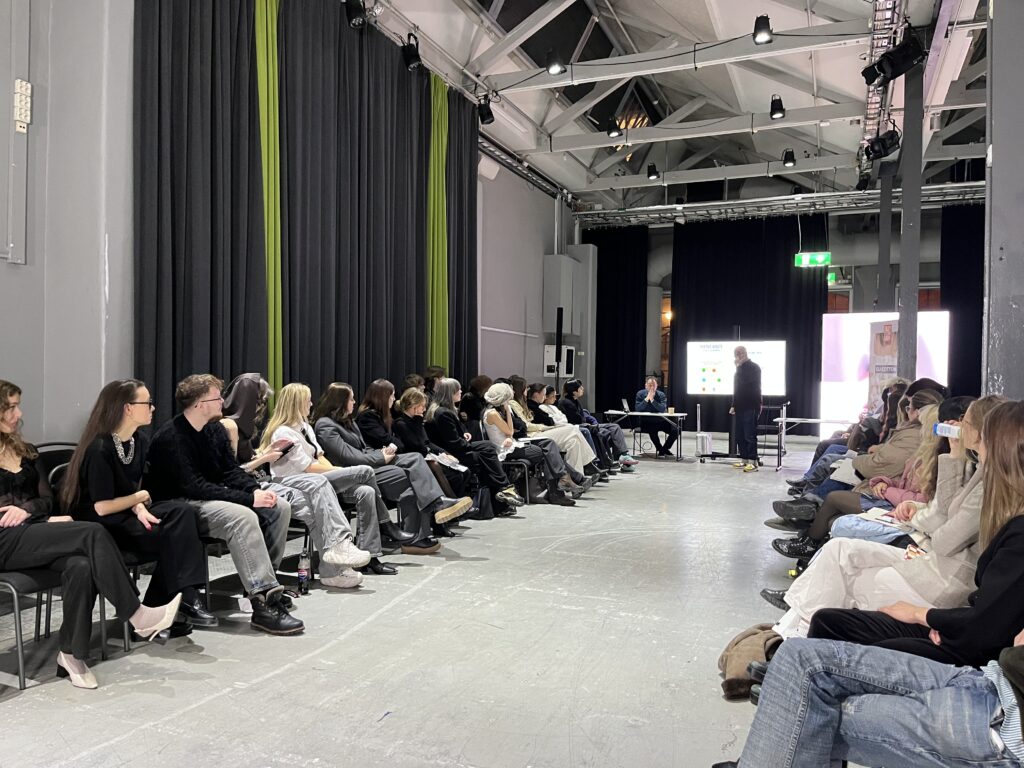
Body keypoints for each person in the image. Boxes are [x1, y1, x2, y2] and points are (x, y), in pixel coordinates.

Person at [806, 399, 1024, 669]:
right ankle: (790, 640)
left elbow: (985, 620)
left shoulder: (1001, 510)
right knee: (833, 602)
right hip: (956, 610)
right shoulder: (980, 476)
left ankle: (793, 647)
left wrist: (926, 616)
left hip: (959, 620)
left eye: (966, 424)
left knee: (850, 561)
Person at [762, 397, 1001, 639]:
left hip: (942, 576)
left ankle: (789, 635)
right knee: (838, 550)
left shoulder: (987, 484)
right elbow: (940, 515)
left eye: (965, 423)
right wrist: (954, 456)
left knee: (842, 576)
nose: (957, 428)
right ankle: (790, 632)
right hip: (930, 555)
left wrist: (914, 512)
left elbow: (942, 536)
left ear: (979, 431)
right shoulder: (974, 467)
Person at [0, 380, 180, 689]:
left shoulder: (26, 452)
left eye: (18, 406)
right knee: (92, 531)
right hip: (4, 541)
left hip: (32, 531)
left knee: (81, 565)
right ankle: (136, 614)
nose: (19, 414)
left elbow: (46, 499)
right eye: (11, 407)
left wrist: (29, 511)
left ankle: (71, 655)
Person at [712, 633, 1024, 768]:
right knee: (798, 657)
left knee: (803, 711)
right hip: (990, 680)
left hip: (1004, 725)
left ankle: (764, 753)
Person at [145, 374, 303, 635]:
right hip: (180, 506)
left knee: (279, 507)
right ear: (199, 404)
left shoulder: (214, 430)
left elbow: (229, 471)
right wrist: (248, 499)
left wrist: (254, 489)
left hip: (207, 498)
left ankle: (266, 584)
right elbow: (193, 486)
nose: (222, 402)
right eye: (216, 398)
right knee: (241, 516)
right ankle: (263, 603)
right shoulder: (171, 437)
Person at [62, 379, 216, 629]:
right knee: (174, 537)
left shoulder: (139, 441)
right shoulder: (100, 448)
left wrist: (140, 505)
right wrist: (139, 499)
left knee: (183, 513)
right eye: (148, 403)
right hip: (101, 524)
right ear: (128, 408)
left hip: (126, 512)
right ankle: (173, 601)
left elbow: (133, 489)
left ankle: (167, 604)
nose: (153, 408)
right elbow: (102, 507)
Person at [259, 382, 395, 581]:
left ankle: (370, 556)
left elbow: (320, 457)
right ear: (297, 403)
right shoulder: (283, 432)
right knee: (364, 471)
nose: (311, 404)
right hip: (295, 481)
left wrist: (338, 473)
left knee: (366, 492)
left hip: (318, 478)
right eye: (307, 400)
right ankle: (385, 524)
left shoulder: (305, 427)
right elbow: (308, 467)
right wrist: (340, 471)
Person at [312, 382, 471, 552]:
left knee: (415, 461)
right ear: (340, 401)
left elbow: (363, 449)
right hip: (351, 473)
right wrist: (380, 457)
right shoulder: (326, 425)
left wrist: (380, 452)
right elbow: (348, 457)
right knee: (411, 479)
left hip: (368, 464)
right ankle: (427, 520)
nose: (354, 402)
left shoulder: (347, 421)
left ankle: (423, 525)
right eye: (351, 399)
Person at [771, 403, 941, 560]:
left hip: (901, 508)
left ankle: (810, 537)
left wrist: (884, 485)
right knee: (836, 472)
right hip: (894, 498)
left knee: (836, 490)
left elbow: (922, 497)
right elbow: (902, 479)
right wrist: (883, 482)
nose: (907, 411)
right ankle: (809, 532)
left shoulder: (930, 456)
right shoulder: (920, 450)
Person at [424, 378, 525, 514]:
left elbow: (458, 431)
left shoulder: (445, 410)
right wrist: (466, 441)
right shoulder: (443, 413)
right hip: (450, 453)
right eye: (458, 390)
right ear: (450, 393)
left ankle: (504, 493)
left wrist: (465, 433)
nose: (461, 391)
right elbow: (453, 443)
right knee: (487, 457)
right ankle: (504, 489)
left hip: (455, 448)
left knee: (488, 449)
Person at [508, 376, 596, 485]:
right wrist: (545, 427)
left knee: (573, 442)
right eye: (525, 388)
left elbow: (559, 419)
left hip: (537, 432)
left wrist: (547, 426)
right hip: (531, 435)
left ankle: (577, 478)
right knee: (573, 429)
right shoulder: (514, 404)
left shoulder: (523, 403)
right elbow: (526, 425)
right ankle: (588, 465)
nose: (527, 390)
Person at [220, 373, 273, 464]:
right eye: (259, 400)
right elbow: (231, 469)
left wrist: (265, 452)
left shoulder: (242, 427)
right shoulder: (229, 426)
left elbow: (247, 457)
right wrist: (263, 458)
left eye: (263, 401)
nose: (261, 406)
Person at [729, 346, 762, 472]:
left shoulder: (754, 367)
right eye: (736, 353)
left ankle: (753, 462)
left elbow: (745, 382)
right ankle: (744, 459)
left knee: (749, 435)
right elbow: (736, 389)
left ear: (746, 353)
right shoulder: (738, 370)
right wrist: (733, 405)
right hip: (740, 406)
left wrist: (738, 367)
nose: (739, 355)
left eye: (741, 353)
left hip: (751, 405)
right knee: (740, 435)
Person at [633, 376, 679, 458]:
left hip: (660, 421)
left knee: (676, 430)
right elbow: (638, 409)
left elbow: (662, 409)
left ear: (657, 385)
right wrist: (647, 399)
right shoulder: (640, 394)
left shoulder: (661, 395)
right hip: (647, 422)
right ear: (646, 385)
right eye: (650, 385)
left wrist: (652, 400)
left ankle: (664, 449)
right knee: (652, 429)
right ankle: (660, 449)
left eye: (654, 385)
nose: (652, 387)